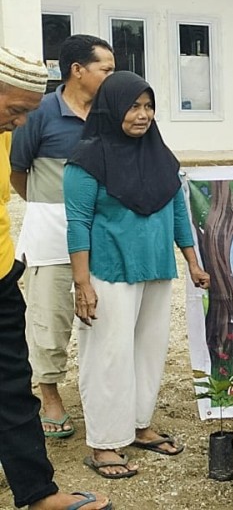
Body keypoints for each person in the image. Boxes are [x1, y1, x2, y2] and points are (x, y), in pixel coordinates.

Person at [64, 71, 211, 479]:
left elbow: (178, 212)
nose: (142, 114)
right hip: (109, 273)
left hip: (155, 271)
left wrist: (192, 263)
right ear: (112, 108)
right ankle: (104, 442)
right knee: (108, 356)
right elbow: (77, 223)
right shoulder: (87, 159)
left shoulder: (161, 156)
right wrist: (82, 284)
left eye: (148, 106)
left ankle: (139, 426)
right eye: (133, 106)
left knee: (149, 351)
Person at [0, 46, 112, 510]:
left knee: (11, 385)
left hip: (2, 273)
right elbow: (26, 177)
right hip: (40, 246)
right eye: (17, 109)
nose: (22, 121)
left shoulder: (4, 133)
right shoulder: (38, 122)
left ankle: (37, 493)